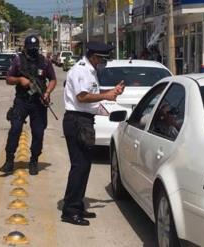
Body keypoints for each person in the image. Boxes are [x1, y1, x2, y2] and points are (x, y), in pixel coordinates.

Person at [61, 41, 125, 226]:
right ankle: (70, 211)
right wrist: (106, 96)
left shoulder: (89, 70)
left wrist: (111, 92)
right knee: (79, 166)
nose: (102, 64)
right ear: (95, 57)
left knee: (84, 166)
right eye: (101, 60)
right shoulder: (81, 70)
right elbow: (82, 97)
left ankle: (76, 205)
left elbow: (92, 94)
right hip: (77, 121)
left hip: (84, 121)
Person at [0, 35, 57, 175]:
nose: (32, 51)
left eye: (35, 49)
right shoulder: (18, 61)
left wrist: (47, 92)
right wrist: (19, 79)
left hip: (39, 102)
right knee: (15, 129)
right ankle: (9, 160)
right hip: (22, 101)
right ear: (25, 48)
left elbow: (53, 79)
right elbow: (8, 79)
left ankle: (34, 161)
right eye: (30, 49)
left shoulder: (44, 62)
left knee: (38, 132)